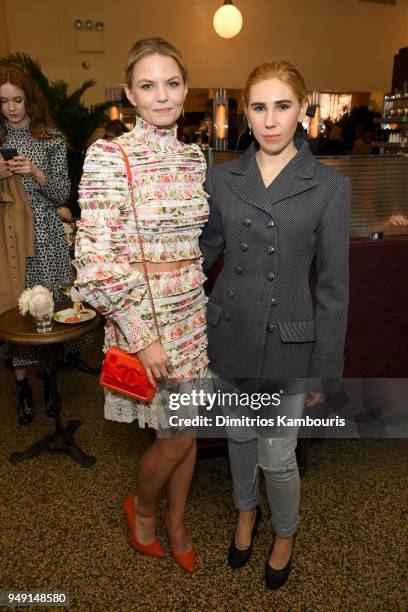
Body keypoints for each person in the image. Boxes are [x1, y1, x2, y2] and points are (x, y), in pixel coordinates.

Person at [200, 61, 351, 589]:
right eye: (259, 107)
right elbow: (206, 250)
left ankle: (284, 532)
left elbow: (333, 287)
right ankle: (246, 513)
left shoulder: (328, 187)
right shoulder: (221, 176)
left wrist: (324, 372)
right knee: (239, 436)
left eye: (282, 106)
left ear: (303, 109)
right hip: (230, 330)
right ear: (245, 111)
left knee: (277, 454)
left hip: (289, 342)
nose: (270, 120)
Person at [74, 38, 209, 573]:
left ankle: (177, 520)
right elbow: (95, 263)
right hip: (146, 324)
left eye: (171, 84)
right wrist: (142, 334)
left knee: (186, 431)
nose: (161, 95)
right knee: (174, 439)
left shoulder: (194, 156)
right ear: (130, 93)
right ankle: (146, 512)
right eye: (148, 85)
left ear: (184, 89)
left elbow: (194, 244)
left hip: (192, 315)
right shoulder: (111, 155)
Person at [0, 64, 90, 424]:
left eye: (17, 100)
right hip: (8, 235)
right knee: (14, 308)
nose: (10, 108)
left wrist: (35, 173)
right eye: (3, 101)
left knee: (50, 308)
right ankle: (22, 386)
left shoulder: (49, 137)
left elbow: (61, 193)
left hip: (47, 235)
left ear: (30, 98)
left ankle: (50, 381)